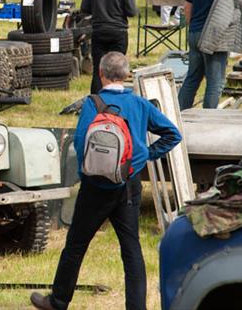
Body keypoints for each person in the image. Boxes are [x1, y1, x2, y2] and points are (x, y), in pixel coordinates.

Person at [29, 51, 182, 310]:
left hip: (95, 187)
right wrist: (144, 157)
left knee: (76, 245)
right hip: (127, 186)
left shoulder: (92, 103)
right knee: (131, 249)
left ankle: (58, 301)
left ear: (101, 75)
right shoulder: (140, 104)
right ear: (126, 75)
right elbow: (173, 134)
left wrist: (86, 172)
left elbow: (80, 142)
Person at [178, 0, 235, 110]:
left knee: (192, 78)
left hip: (195, 33)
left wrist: (193, 26)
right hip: (215, 37)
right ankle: (208, 117)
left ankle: (181, 112)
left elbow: (187, 7)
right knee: (215, 81)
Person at [80, 0, 137, 94]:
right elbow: (132, 11)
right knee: (117, 69)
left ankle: (96, 101)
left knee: (98, 69)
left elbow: (84, 9)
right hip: (118, 32)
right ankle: (116, 101)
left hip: (99, 31)